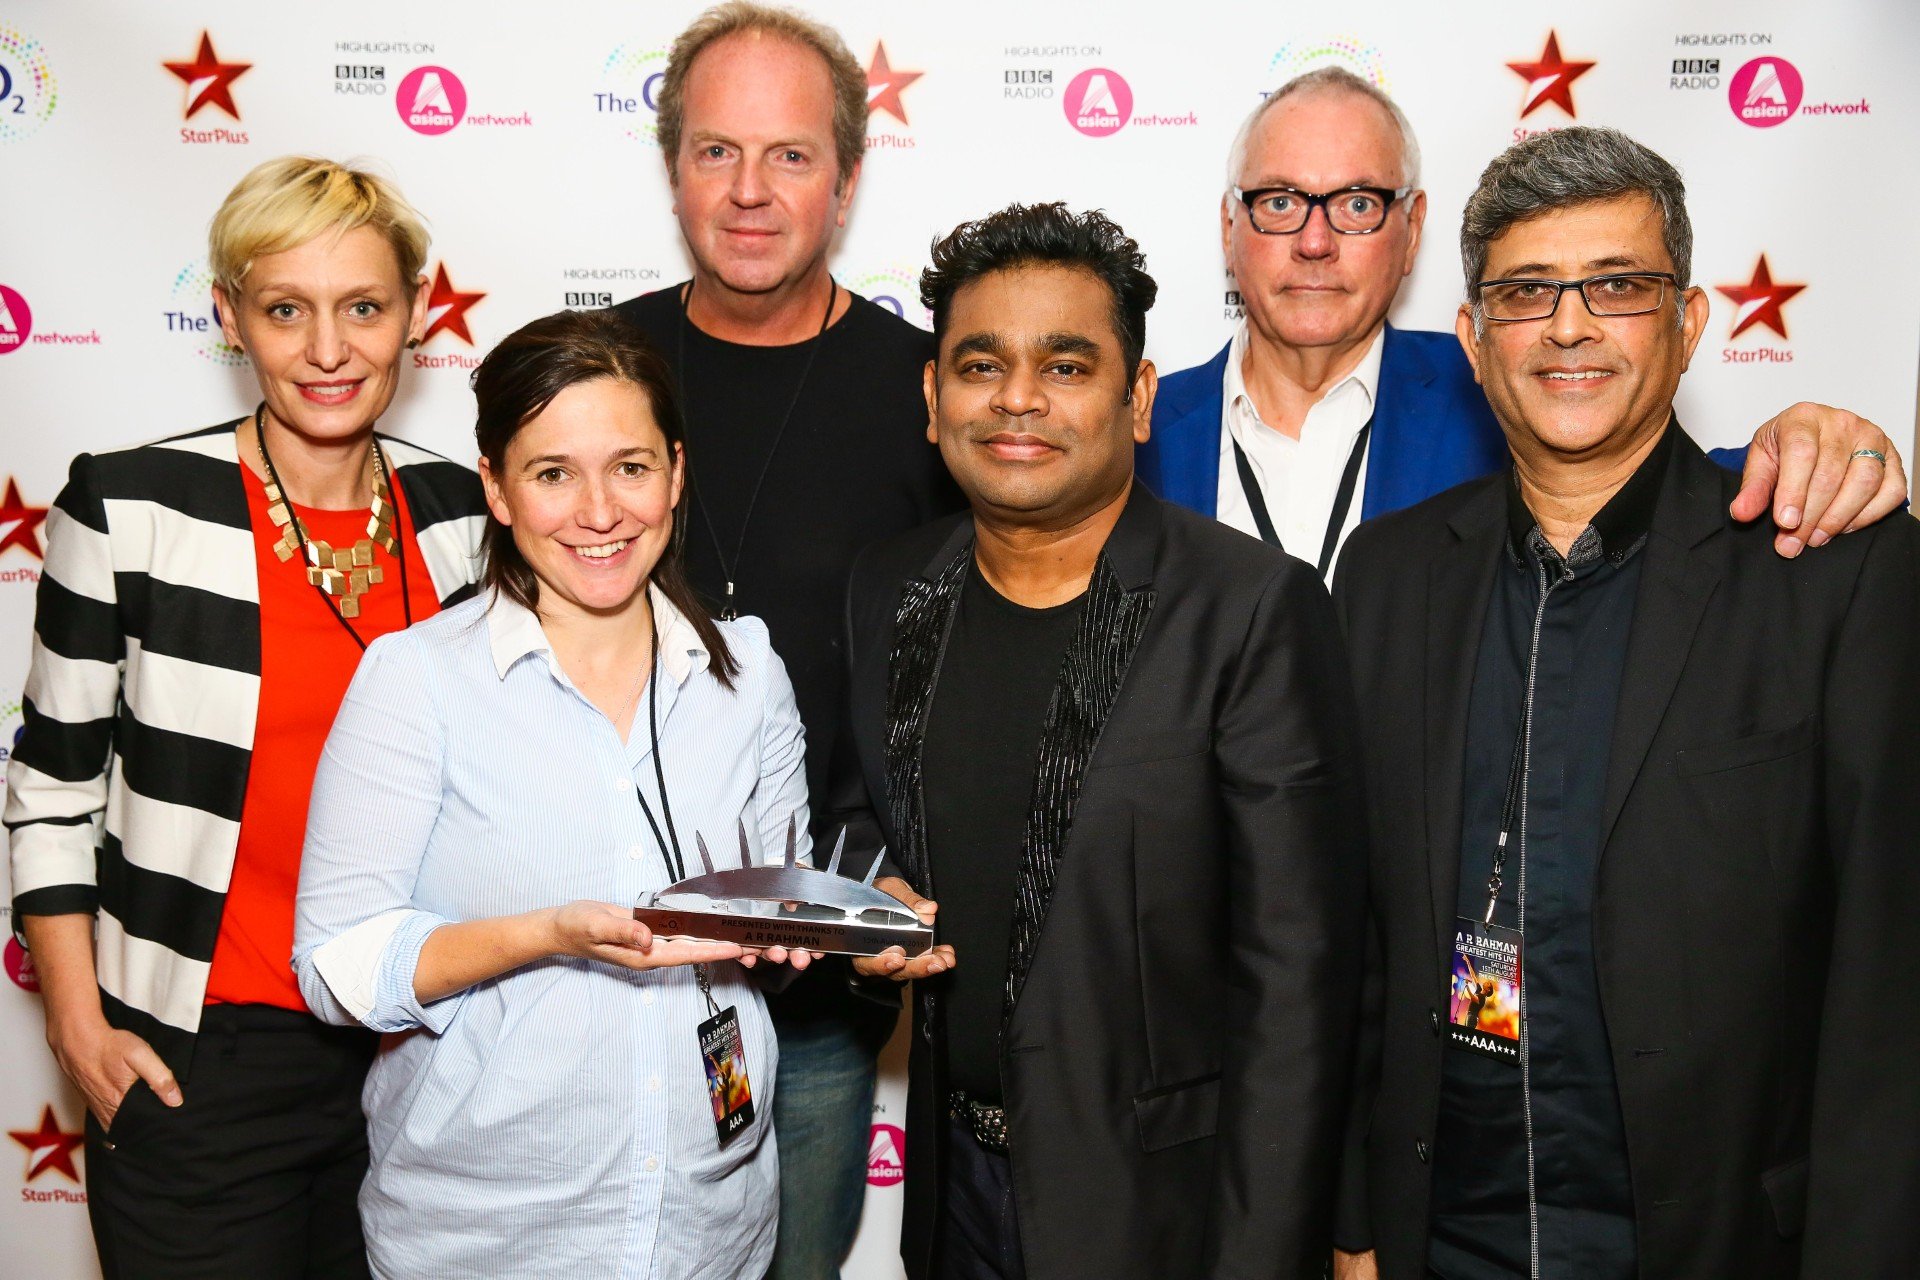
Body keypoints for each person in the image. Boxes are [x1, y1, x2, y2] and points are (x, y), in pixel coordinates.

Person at [1330, 127, 1920, 1279]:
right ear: (1472, 337)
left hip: (1718, 1242)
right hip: (1448, 1237)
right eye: (1525, 291)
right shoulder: (1388, 577)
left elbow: (1890, 991)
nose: (1569, 324)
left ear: (1691, 321)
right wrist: (1354, 1220)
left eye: (1618, 285)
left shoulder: (1828, 564)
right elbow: (1353, 938)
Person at [832, 203, 1367, 1279]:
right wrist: (864, 905)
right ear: (935, 400)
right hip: (952, 1198)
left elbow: (1299, 981)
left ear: (1137, 400)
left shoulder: (1251, 608)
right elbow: (865, 825)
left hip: (1164, 1212)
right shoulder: (892, 589)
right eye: (981, 364)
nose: (1018, 397)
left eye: (1067, 366)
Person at [2, 156, 486, 1277]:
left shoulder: (462, 512)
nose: (329, 349)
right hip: (198, 1061)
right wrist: (79, 1023)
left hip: (414, 1050)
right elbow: (52, 788)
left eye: (363, 307)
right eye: (286, 309)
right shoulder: (132, 506)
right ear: (229, 316)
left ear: (413, 312)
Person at [293, 307, 811, 1279]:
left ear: (677, 471)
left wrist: (811, 926)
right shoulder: (418, 680)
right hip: (487, 1239)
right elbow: (337, 965)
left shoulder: (751, 673)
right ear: (495, 485)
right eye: (552, 472)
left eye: (631, 464)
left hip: (713, 1226)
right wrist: (548, 933)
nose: (600, 510)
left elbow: (772, 910)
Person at [613, 5, 961, 1274]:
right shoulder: (598, 368)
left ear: (850, 178)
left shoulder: (931, 392)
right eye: (716, 152)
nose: (751, 192)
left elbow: (965, 678)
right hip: (605, 967)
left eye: (791, 156)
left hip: (817, 991)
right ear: (672, 170)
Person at [1139, 66, 1907, 576]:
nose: (1314, 241)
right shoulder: (1133, 429)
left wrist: (1814, 447)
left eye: (1357, 204)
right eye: (1278, 202)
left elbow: (1673, 493)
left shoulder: (1508, 378)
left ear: (1412, 230)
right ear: (1227, 229)